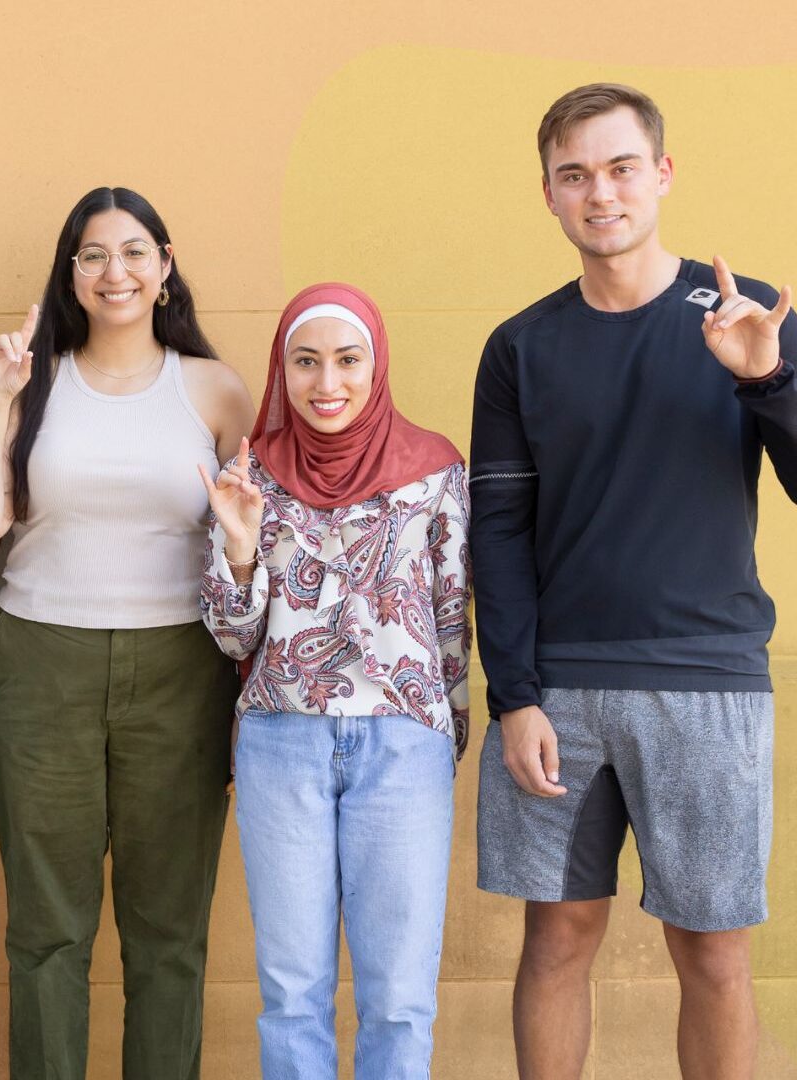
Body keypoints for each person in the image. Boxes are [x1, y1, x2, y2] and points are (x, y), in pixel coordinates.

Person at [470, 82, 797, 1080]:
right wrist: (514, 696)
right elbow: (500, 533)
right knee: (557, 939)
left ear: (662, 174)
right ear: (549, 195)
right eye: (575, 175)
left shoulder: (746, 316)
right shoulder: (521, 348)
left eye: (619, 167)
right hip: (562, 691)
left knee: (714, 952)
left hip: (709, 683)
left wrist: (764, 380)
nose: (599, 192)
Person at [0, 186, 252, 1079]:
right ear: (70, 273)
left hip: (182, 669)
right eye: (92, 255)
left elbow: (254, 542)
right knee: (47, 927)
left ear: (164, 266)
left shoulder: (215, 388)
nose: (113, 271)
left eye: (132, 252)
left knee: (169, 931)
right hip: (43, 666)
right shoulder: (30, 380)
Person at [200, 282, 468, 1079]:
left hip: (403, 746)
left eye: (348, 360)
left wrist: (446, 733)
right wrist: (241, 545)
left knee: (398, 998)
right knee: (291, 993)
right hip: (281, 744)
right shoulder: (249, 475)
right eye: (306, 362)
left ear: (376, 364)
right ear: (283, 370)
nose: (328, 384)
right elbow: (230, 634)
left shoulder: (434, 470)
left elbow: (453, 619)